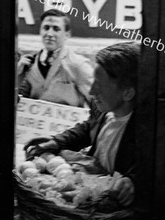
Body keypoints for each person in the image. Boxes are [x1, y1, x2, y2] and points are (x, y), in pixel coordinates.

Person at [24, 42, 139, 207]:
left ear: (127, 93)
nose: (91, 92)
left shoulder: (144, 131)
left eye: (99, 85)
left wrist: (132, 182)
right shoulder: (103, 111)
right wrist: (56, 142)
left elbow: (153, 169)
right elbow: (87, 129)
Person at [18, 8, 94, 107]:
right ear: (40, 31)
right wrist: (17, 74)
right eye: (46, 28)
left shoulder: (78, 64)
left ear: (67, 34)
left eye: (56, 29)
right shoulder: (30, 63)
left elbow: (97, 101)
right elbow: (19, 101)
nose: (49, 34)